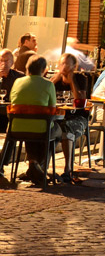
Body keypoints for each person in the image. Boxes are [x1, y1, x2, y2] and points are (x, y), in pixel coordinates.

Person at [8, 55, 59, 185]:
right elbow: (52, 110)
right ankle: (40, 167)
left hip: (16, 128)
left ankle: (33, 165)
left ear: (27, 68)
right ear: (44, 70)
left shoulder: (17, 82)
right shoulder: (48, 84)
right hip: (41, 128)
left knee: (30, 128)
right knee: (56, 131)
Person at [51, 52, 89, 183]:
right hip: (59, 117)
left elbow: (81, 100)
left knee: (67, 128)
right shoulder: (55, 80)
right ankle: (40, 167)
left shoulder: (80, 78)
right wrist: (55, 79)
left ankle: (68, 169)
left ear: (74, 66)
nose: (63, 66)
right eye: (61, 63)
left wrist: (72, 80)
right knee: (47, 127)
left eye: (66, 63)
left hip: (77, 118)